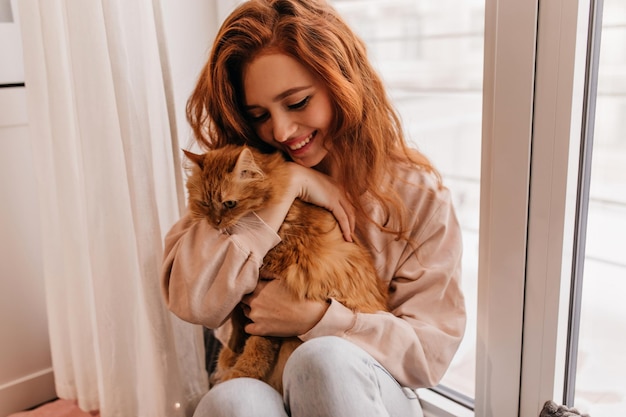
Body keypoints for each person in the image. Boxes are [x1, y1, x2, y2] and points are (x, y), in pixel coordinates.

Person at [160, 0, 466, 416]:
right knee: (230, 401)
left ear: (342, 82)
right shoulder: (242, 173)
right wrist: (289, 187)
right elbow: (192, 301)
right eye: (259, 115)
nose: (282, 131)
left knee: (322, 359)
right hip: (268, 384)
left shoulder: (416, 193)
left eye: (299, 102)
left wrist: (315, 318)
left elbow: (428, 354)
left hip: (368, 388)